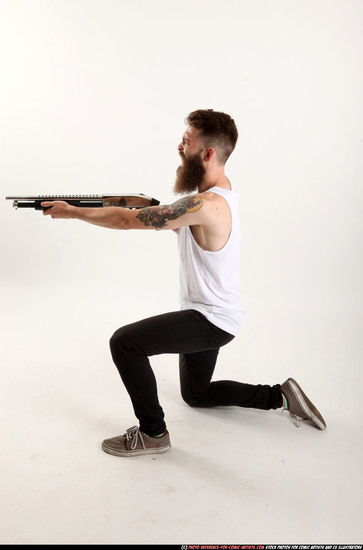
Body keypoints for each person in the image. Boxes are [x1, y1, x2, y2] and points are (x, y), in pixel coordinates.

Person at [42, 109, 326, 457]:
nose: (180, 146)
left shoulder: (206, 205)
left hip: (208, 320)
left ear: (207, 153)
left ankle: (153, 434)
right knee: (197, 395)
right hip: (215, 315)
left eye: (187, 141)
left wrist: (72, 213)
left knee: (125, 343)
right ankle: (280, 396)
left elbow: (127, 222)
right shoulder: (215, 198)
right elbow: (141, 206)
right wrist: (78, 202)